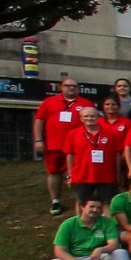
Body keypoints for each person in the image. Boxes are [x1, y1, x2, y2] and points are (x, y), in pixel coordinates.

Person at [34, 76, 95, 214]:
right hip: (54, 145)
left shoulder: (86, 103)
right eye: (68, 86)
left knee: (77, 172)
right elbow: (39, 121)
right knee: (54, 172)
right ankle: (55, 201)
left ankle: (80, 200)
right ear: (61, 87)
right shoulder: (49, 102)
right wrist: (38, 140)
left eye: (75, 86)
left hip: (78, 146)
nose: (71, 88)